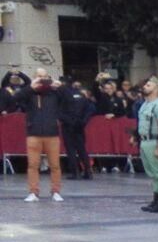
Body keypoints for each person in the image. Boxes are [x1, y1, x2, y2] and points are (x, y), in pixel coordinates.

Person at [11, 69, 71, 202]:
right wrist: (30, 87)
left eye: (44, 77)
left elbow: (70, 100)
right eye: (39, 76)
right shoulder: (29, 93)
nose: (42, 79)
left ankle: (56, 191)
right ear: (34, 77)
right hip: (33, 133)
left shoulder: (55, 93)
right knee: (33, 165)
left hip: (52, 133)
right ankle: (33, 192)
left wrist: (61, 86)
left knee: (55, 165)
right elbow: (14, 99)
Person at [135, 76, 158, 212]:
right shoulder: (145, 104)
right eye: (145, 85)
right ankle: (156, 199)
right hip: (145, 141)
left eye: (149, 85)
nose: (145, 87)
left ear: (156, 89)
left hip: (154, 141)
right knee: (152, 173)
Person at [61, 81, 95, 181]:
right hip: (79, 126)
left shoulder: (65, 97)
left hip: (68, 126)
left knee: (70, 150)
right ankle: (88, 171)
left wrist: (68, 121)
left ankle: (75, 172)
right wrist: (83, 121)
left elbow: (60, 112)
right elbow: (90, 110)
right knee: (82, 149)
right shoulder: (83, 98)